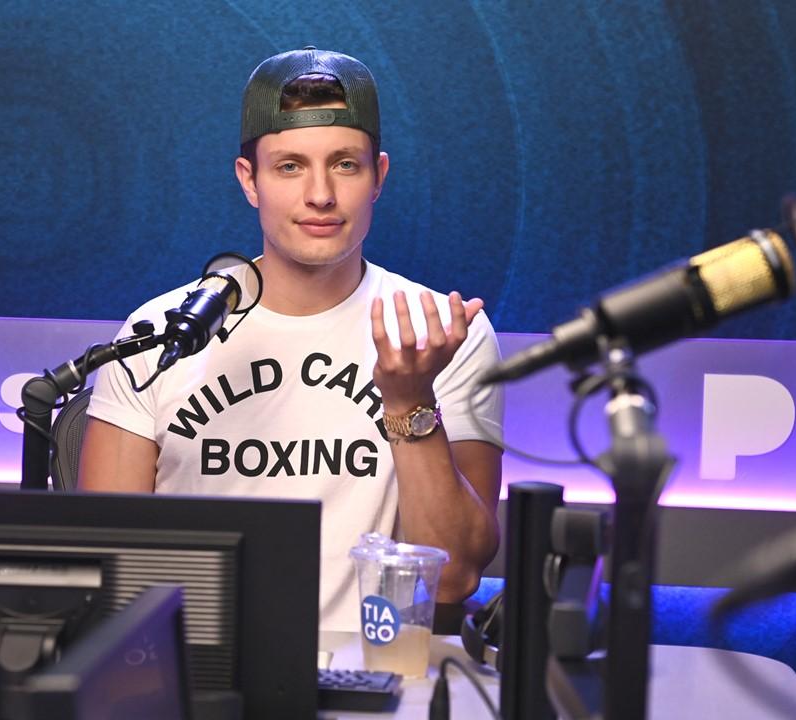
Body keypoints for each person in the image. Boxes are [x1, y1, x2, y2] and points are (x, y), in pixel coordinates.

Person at [80, 47, 504, 632]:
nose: (321, 195)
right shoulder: (162, 333)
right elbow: (108, 567)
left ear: (378, 176)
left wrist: (410, 402)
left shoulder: (439, 332)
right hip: (196, 681)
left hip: (377, 678)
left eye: (345, 165)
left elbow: (454, 578)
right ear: (248, 180)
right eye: (289, 167)